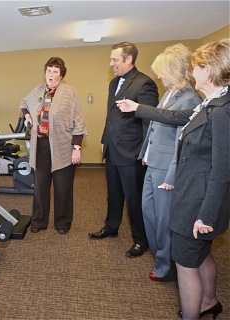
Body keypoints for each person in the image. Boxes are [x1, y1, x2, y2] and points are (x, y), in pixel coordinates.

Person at [117, 38, 229, 320]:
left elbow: (221, 169)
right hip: (190, 188)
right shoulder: (211, 103)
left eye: (197, 67)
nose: (193, 73)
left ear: (209, 70)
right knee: (200, 254)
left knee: (186, 261)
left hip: (197, 196)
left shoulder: (220, 110)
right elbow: (179, 126)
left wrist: (206, 215)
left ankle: (196, 308)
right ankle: (210, 302)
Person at [88, 41, 159, 259]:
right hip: (112, 148)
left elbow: (150, 120)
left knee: (135, 198)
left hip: (132, 151)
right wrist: (103, 138)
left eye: (115, 60)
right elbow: (111, 116)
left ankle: (141, 240)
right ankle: (111, 227)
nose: (111, 64)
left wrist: (146, 151)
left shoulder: (145, 83)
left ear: (129, 59)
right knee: (114, 194)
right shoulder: (113, 83)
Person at [139, 44, 202, 282]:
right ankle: (161, 260)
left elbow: (182, 141)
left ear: (174, 69)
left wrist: (171, 176)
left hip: (167, 169)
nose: (160, 76)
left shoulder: (191, 99)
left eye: (162, 71)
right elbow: (157, 126)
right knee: (150, 216)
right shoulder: (170, 93)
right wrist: (146, 153)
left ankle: (167, 268)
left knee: (164, 221)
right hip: (153, 162)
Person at [19, 57, 87, 235]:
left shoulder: (69, 93)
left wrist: (76, 148)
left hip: (62, 147)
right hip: (40, 147)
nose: (51, 74)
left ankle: (62, 222)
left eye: (55, 71)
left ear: (61, 75)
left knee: (62, 187)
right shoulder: (38, 90)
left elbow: (78, 121)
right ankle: (39, 221)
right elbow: (24, 103)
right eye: (48, 70)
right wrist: (27, 115)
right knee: (40, 186)